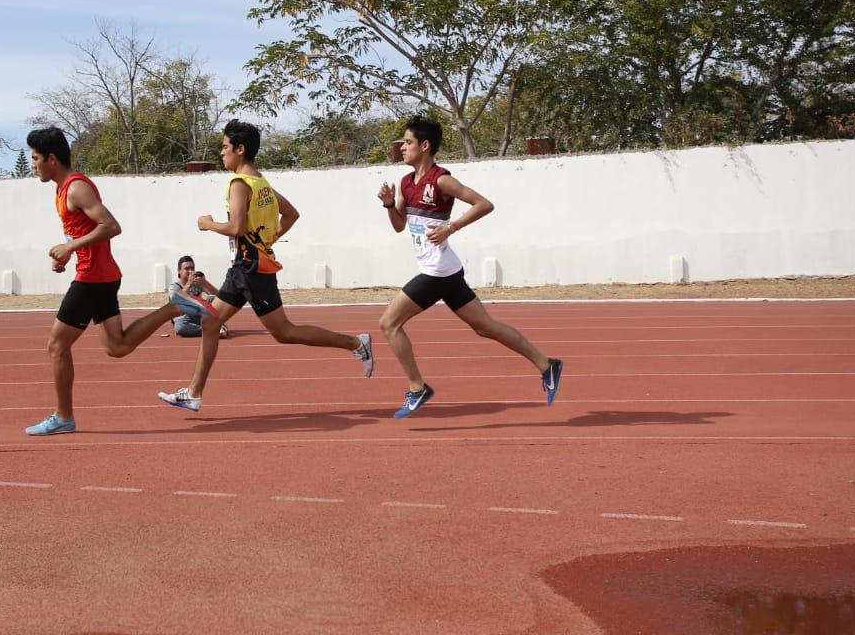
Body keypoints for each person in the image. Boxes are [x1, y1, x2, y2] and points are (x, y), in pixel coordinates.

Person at [158, 119, 374, 411]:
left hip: (250, 270)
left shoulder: (239, 183)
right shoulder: (263, 185)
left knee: (284, 332)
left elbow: (235, 227)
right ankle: (194, 393)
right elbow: (292, 215)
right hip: (245, 268)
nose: (222, 153)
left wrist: (207, 224)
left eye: (224, 147)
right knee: (210, 322)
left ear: (240, 149)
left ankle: (355, 343)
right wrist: (267, 240)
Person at [376, 114, 563, 418]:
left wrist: (451, 228)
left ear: (425, 146)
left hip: (437, 271)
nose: (402, 147)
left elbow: (484, 204)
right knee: (484, 327)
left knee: (389, 323)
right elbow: (399, 225)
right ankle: (547, 365)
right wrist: (387, 204)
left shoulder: (441, 180)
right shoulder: (405, 183)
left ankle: (417, 388)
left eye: (408, 142)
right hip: (447, 270)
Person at [24, 126, 186, 435]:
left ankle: (63, 417)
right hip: (100, 275)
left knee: (57, 345)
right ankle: (173, 308)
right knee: (117, 346)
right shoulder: (63, 190)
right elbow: (84, 231)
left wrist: (71, 247)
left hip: (93, 278)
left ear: (52, 159)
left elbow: (111, 226)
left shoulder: (76, 188)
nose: (33, 164)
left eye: (35, 158)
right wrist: (70, 253)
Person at [170, 256, 230, 339]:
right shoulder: (174, 287)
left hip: (199, 315)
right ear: (179, 271)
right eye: (186, 269)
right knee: (180, 327)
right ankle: (212, 330)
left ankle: (218, 327)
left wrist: (205, 282)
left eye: (192, 268)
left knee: (212, 298)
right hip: (184, 318)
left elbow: (219, 296)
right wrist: (188, 284)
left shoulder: (197, 283)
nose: (190, 271)